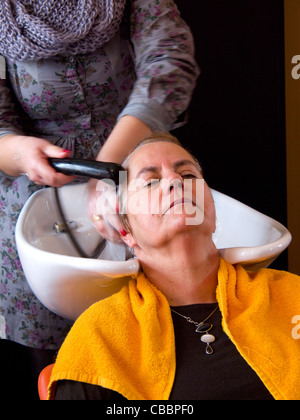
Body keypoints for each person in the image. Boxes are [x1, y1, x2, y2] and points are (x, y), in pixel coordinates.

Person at [0, 1, 199, 399]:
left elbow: (169, 64)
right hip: (39, 202)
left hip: (142, 174)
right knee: (69, 365)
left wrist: (107, 169)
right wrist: (21, 153)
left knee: (167, 334)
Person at [49, 133, 300, 400]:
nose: (175, 181)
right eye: (150, 182)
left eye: (189, 176)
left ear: (213, 212)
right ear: (126, 231)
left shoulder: (289, 294)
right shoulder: (99, 337)